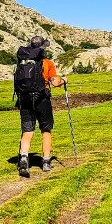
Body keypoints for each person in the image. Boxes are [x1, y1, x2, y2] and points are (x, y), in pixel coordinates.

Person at [13, 35, 66, 177]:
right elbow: (55, 82)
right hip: (42, 99)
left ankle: (24, 159)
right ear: (42, 49)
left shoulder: (22, 62)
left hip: (24, 99)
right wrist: (64, 80)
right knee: (46, 130)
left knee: (27, 131)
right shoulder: (47, 63)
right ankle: (46, 162)